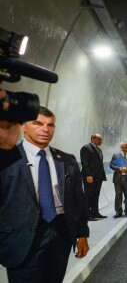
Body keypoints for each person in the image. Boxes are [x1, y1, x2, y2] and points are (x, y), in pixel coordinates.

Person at [0, 106, 89, 283]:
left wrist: (82, 234)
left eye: (51, 125)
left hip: (60, 236)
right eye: (38, 123)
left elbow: (78, 200)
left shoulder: (67, 160)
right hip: (21, 241)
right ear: (23, 126)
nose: (45, 129)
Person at [80, 134, 107, 221]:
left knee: (96, 195)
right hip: (90, 177)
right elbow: (85, 163)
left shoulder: (98, 149)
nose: (101, 141)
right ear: (93, 139)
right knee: (88, 196)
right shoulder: (86, 148)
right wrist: (88, 175)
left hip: (98, 177)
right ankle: (87, 215)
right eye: (99, 139)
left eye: (101, 139)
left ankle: (95, 212)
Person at [110, 141, 127, 218]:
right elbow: (111, 165)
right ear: (120, 147)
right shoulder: (116, 155)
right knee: (118, 195)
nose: (124, 149)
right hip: (118, 178)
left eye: (125, 147)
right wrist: (119, 169)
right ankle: (118, 212)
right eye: (122, 147)